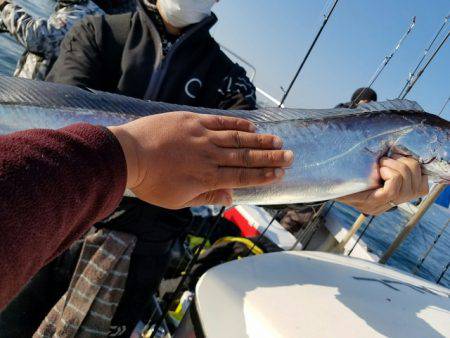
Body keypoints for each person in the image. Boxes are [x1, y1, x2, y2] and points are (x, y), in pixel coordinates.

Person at [0, 111, 293, 311]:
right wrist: (133, 155)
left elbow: (242, 149)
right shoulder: (98, 30)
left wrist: (131, 155)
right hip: (66, 232)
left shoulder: (231, 80)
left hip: (147, 249)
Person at [0, 0, 106, 80]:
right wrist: (5, 22)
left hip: (39, 100)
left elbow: (41, 39)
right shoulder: (73, 8)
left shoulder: (84, 13)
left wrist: (5, 8)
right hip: (32, 95)